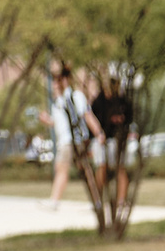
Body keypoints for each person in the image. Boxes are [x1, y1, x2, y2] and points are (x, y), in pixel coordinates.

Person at [89, 76, 132, 210]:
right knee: (101, 167)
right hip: (102, 140)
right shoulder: (98, 102)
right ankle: (98, 200)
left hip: (117, 140)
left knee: (121, 168)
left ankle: (121, 200)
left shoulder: (122, 102)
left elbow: (129, 121)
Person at [48, 69, 87, 208]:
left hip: (72, 140)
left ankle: (55, 200)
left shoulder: (73, 97)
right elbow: (59, 122)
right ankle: (55, 199)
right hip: (64, 140)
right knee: (62, 168)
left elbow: (84, 116)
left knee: (64, 168)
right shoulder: (58, 101)